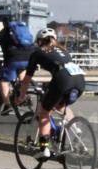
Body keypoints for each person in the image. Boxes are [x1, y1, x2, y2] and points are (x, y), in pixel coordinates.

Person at [15, 28, 85, 159]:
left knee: (44, 112)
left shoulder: (38, 52)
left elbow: (26, 80)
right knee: (61, 105)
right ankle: (74, 128)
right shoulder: (63, 50)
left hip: (63, 79)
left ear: (40, 41)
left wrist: (21, 96)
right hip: (80, 79)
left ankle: (44, 149)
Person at [0, 17, 36, 116]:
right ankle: (24, 95)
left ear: (4, 23)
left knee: (4, 81)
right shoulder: (22, 29)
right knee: (22, 78)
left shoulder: (4, 32)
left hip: (13, 59)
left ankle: (7, 105)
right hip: (28, 57)